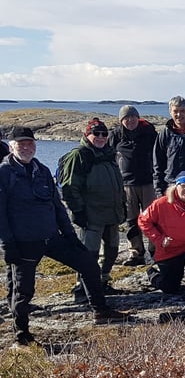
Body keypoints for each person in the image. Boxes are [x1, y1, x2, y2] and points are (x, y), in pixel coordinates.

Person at [0, 127, 125, 344]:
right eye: (21, 143)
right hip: (24, 242)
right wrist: (7, 244)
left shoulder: (42, 170)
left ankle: (100, 310)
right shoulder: (4, 173)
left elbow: (57, 207)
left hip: (52, 237)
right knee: (23, 291)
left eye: (30, 143)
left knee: (88, 263)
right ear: (11, 146)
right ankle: (22, 334)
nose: (27, 147)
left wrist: (71, 237)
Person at [59, 118, 126, 301]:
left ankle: (102, 282)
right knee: (89, 255)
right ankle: (83, 289)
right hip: (91, 216)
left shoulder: (109, 154)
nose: (101, 137)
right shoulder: (79, 155)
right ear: (87, 134)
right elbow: (69, 187)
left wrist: (122, 205)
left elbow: (118, 184)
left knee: (112, 251)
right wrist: (78, 211)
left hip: (111, 214)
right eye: (96, 133)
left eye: (104, 134)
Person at [109, 105, 157, 265]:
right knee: (131, 220)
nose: (130, 120)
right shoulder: (115, 135)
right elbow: (107, 157)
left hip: (148, 182)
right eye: (126, 118)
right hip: (126, 184)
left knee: (153, 218)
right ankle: (136, 253)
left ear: (138, 118)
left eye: (132, 117)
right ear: (121, 120)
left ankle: (155, 251)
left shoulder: (149, 133)